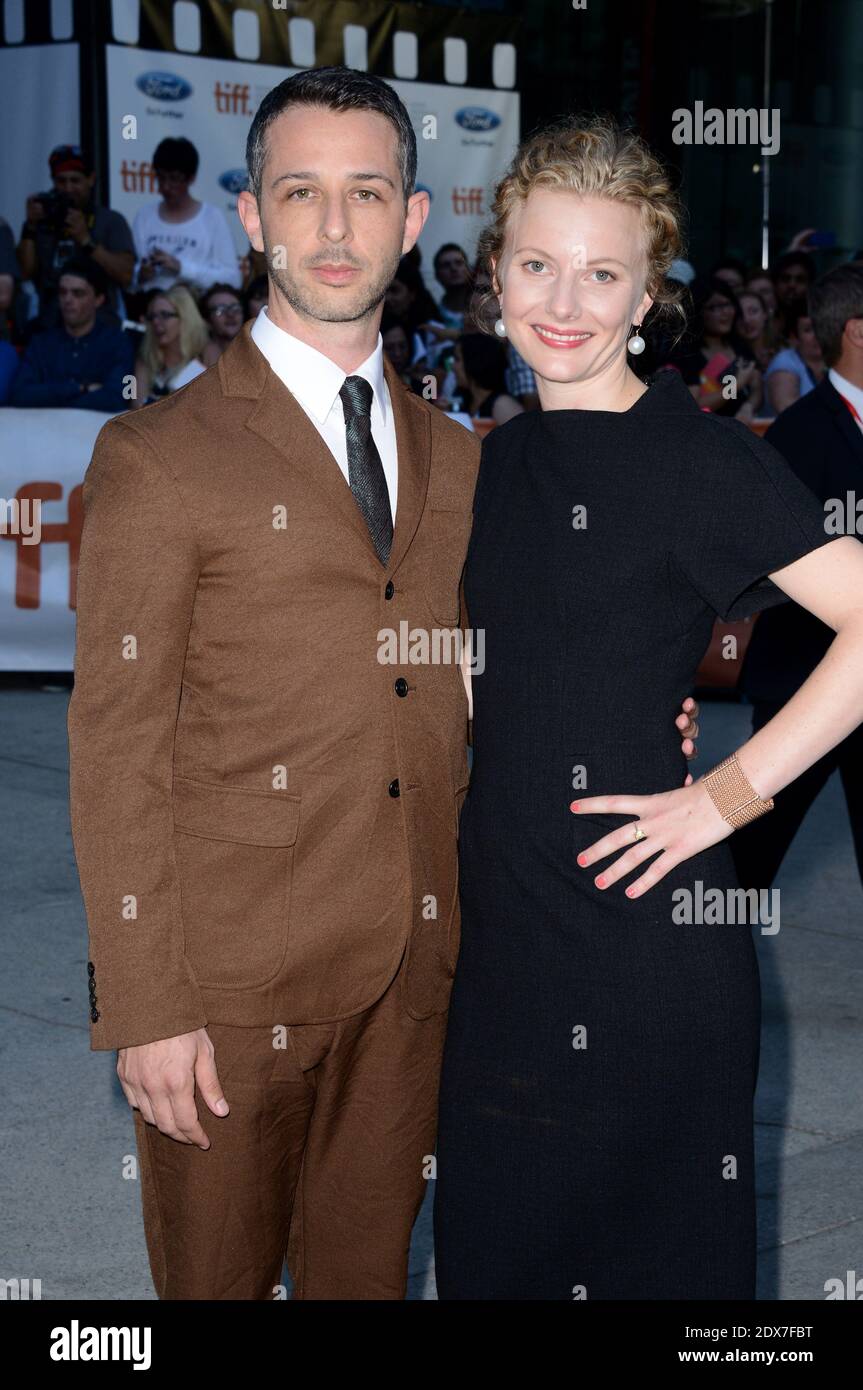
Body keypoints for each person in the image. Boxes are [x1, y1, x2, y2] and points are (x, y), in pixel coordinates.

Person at [67, 67, 699, 1303]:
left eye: (368, 193)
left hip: (417, 977)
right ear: (251, 217)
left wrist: (636, 713)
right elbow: (114, 747)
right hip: (228, 999)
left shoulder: (463, 457)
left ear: (414, 219)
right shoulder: (154, 457)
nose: (336, 227)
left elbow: (502, 663)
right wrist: (144, 1006)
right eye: (301, 193)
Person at [432, 114, 863, 1301]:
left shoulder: (694, 457)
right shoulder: (496, 461)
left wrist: (720, 798)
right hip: (500, 945)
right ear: (495, 273)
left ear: (645, 299)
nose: (563, 300)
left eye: (601, 273)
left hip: (641, 946)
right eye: (536, 265)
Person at [733, 264, 863, 893]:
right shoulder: (797, 432)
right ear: (857, 332)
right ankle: (703, 986)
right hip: (801, 686)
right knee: (746, 858)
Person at [16, 144, 135, 333]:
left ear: (91, 179)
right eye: (61, 181)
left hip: (101, 327)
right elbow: (24, 273)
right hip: (49, 326)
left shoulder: (111, 221)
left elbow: (126, 276)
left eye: (75, 180)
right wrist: (29, 227)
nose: (68, 188)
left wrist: (87, 241)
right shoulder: (43, 219)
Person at [9, 257, 134, 412]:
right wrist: (80, 388)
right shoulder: (41, 343)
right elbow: (20, 395)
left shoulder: (118, 343)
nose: (67, 299)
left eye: (78, 293)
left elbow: (122, 397)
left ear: (98, 300)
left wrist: (52, 397)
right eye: (63, 292)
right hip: (43, 432)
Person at [131, 137, 243, 299]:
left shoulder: (212, 217)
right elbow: (130, 276)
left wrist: (181, 268)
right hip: (150, 308)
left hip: (196, 311)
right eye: (161, 178)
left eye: (174, 179)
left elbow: (232, 280)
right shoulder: (144, 216)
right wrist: (142, 274)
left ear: (191, 178)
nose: (166, 186)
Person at [673, 275, 762, 419]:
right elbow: (695, 405)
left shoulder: (740, 346)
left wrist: (749, 406)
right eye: (714, 307)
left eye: (728, 304)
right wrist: (735, 385)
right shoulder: (688, 354)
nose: (725, 313)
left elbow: (757, 388)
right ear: (698, 311)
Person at [132, 284, 208, 406]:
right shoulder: (146, 362)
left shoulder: (202, 363)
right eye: (152, 317)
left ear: (185, 319)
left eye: (165, 315)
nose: (156, 322)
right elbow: (136, 409)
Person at [764, 298, 825, 415]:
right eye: (808, 330)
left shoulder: (837, 358)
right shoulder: (784, 363)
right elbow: (786, 411)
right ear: (794, 337)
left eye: (821, 326)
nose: (817, 335)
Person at [451, 331, 524, 423]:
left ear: (475, 362)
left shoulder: (503, 405)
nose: (453, 366)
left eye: (458, 359)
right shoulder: (465, 400)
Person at [198, 282, 245, 366]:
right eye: (220, 310)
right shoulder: (199, 360)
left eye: (235, 308)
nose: (230, 314)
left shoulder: (258, 350)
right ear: (207, 321)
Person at [736, 286, 778, 374]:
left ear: (765, 314)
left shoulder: (783, 349)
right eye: (740, 314)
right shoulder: (730, 356)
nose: (746, 320)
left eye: (753, 311)